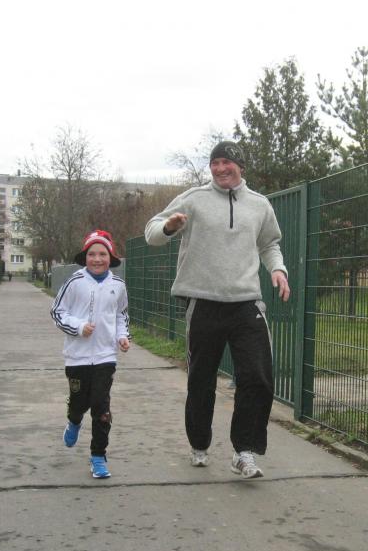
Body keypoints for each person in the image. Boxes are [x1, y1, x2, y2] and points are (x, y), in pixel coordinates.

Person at [144, 141, 290, 479]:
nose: (221, 168)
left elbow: (269, 243)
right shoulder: (194, 199)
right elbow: (152, 231)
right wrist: (169, 227)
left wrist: (278, 269)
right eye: (215, 163)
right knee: (201, 380)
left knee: (257, 377)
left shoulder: (259, 205)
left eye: (227, 162)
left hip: (246, 302)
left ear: (241, 166)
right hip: (203, 301)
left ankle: (244, 452)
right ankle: (199, 443)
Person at [50, 230, 130, 479]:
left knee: (101, 405)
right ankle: (74, 421)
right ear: (85, 257)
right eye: (92, 254)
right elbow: (57, 312)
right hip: (77, 357)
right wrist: (78, 326)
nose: (97, 259)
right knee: (79, 403)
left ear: (111, 257)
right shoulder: (74, 282)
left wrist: (122, 336)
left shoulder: (118, 285)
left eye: (102, 254)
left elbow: (121, 315)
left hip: (106, 356)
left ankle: (98, 456)